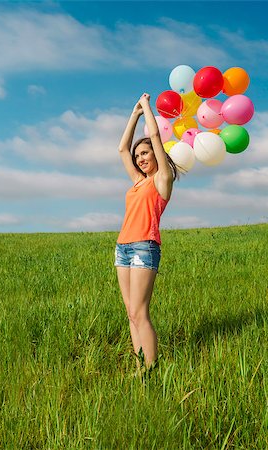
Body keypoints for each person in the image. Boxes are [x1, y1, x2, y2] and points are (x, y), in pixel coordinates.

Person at [115, 93, 179, 375]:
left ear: (157, 155)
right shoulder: (137, 182)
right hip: (123, 248)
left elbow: (154, 135)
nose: (140, 158)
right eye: (138, 155)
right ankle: (140, 364)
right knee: (130, 313)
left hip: (144, 247)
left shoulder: (162, 180)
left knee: (141, 312)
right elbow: (121, 149)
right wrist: (134, 115)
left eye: (146, 153)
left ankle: (150, 370)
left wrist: (148, 109)